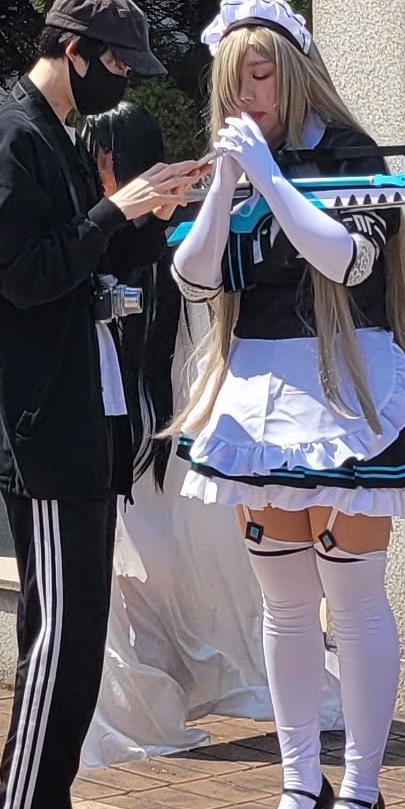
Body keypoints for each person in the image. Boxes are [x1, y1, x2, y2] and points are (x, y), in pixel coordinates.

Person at [0, 0, 209, 809]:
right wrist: (112, 211)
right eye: (118, 63)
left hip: (79, 420)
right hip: (43, 428)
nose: (122, 81)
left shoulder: (52, 137)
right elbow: (22, 274)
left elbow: (81, 264)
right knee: (60, 637)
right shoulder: (15, 135)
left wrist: (148, 217)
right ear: (75, 51)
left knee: (77, 633)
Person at [168, 0, 405, 809]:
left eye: (260, 75)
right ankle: (298, 784)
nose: (245, 94)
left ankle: (361, 785)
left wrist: (268, 177)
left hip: (346, 387)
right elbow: (194, 278)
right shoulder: (239, 163)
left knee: (352, 597)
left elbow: (347, 262)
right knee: (285, 606)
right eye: (232, 80)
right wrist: (227, 184)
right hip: (257, 392)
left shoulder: (352, 156)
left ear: (293, 74)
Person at [82, 100, 309, 763]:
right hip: (131, 437)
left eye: (101, 158)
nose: (95, 173)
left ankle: (172, 690)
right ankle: (147, 697)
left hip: (170, 433)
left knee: (177, 567)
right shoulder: (105, 228)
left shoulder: (174, 232)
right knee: (134, 576)